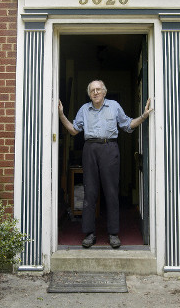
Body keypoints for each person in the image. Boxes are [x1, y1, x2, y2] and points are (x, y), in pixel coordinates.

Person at [58, 80, 152, 249]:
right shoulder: (84, 110)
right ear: (89, 94)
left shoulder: (114, 106)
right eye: (92, 90)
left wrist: (144, 116)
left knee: (111, 191)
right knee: (90, 191)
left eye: (98, 89)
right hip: (90, 149)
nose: (95, 92)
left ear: (104, 92)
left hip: (110, 148)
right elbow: (73, 130)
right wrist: (62, 115)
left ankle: (113, 233)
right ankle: (89, 233)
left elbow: (128, 124)